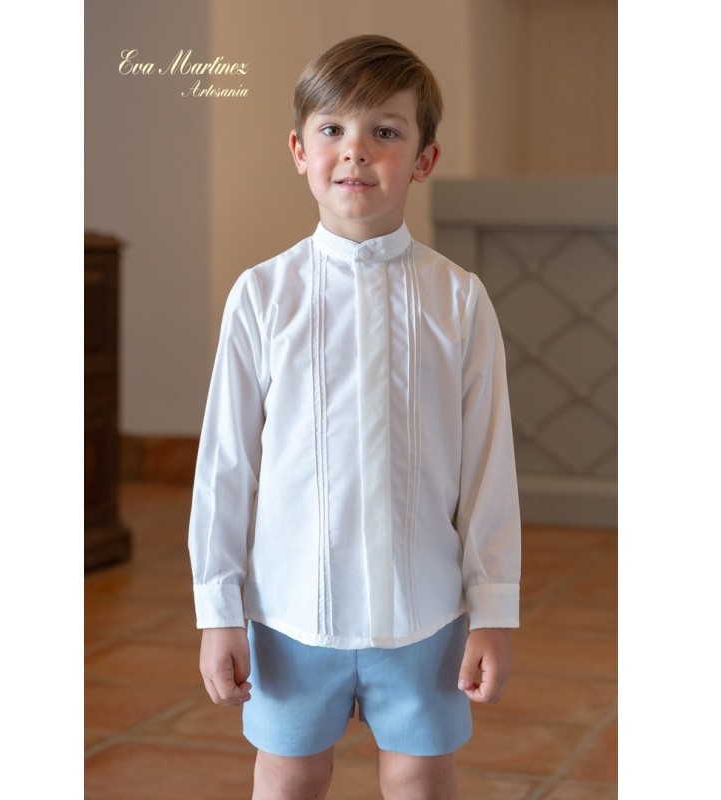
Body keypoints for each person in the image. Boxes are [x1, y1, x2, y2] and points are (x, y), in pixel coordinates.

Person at [188, 34, 521, 800]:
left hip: (424, 613)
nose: (356, 150)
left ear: (424, 159)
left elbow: (488, 467)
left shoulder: (459, 299)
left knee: (419, 779)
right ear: (299, 150)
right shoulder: (263, 297)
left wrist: (494, 611)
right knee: (289, 777)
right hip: (289, 613)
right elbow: (225, 467)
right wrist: (218, 610)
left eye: (385, 131)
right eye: (333, 128)